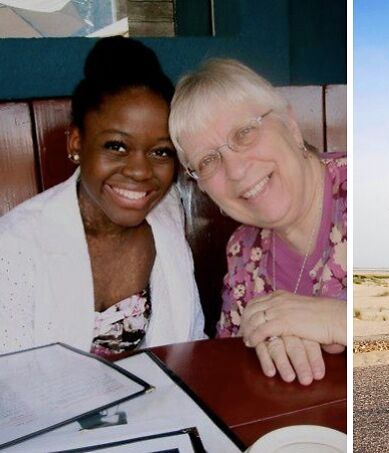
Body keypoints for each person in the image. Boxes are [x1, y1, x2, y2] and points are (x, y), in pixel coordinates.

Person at [0, 37, 205, 356]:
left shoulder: (167, 215)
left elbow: (190, 339)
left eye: (160, 151)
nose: (140, 171)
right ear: (76, 143)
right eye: (116, 146)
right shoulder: (15, 247)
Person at [169, 59, 347, 386]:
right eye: (208, 161)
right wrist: (258, 337)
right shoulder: (243, 252)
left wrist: (339, 320)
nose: (235, 170)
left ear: (291, 126)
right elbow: (232, 362)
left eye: (244, 133)